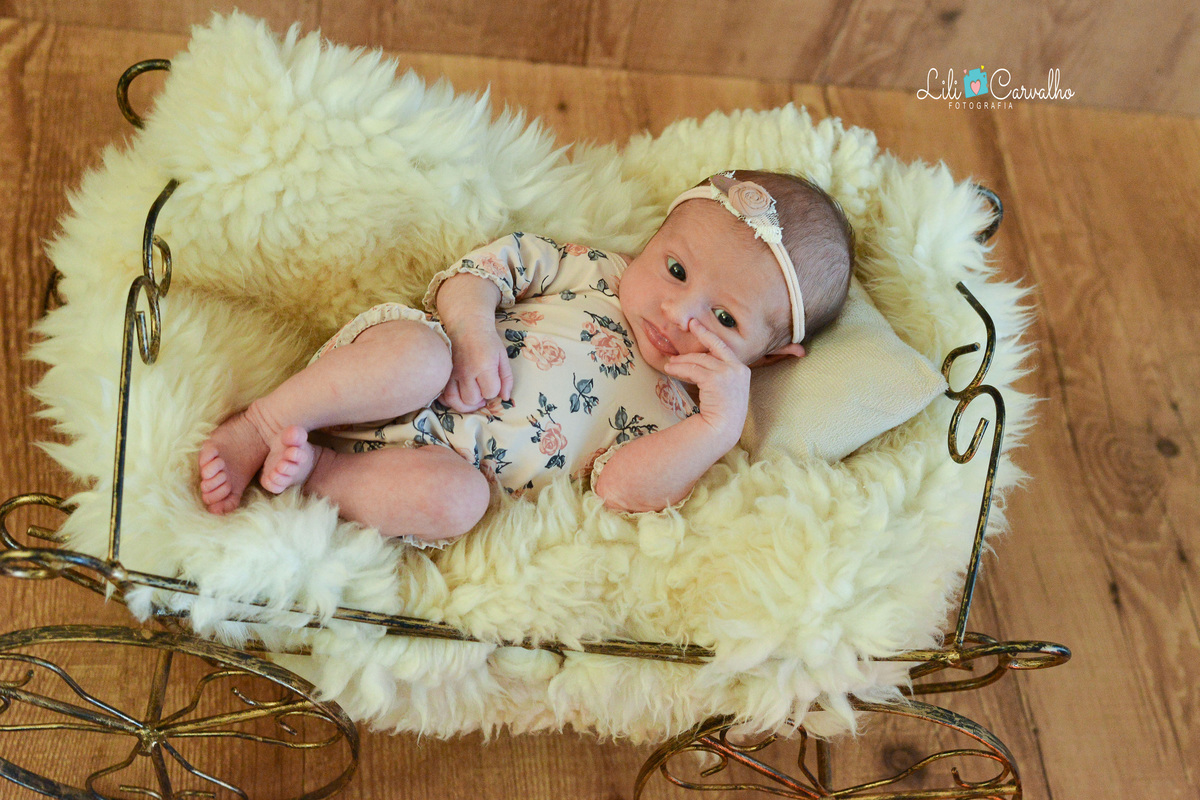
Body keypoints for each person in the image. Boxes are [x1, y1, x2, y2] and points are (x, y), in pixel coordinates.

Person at [197, 170, 854, 544]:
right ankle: (263, 423)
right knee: (419, 358)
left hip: (428, 470)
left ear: (767, 359)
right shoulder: (596, 272)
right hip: (388, 381)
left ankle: (317, 472)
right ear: (654, 238)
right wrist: (471, 329)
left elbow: (619, 491)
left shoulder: (682, 421)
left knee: (458, 503)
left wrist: (716, 427)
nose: (679, 312)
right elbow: (482, 270)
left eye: (725, 319)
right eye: (675, 268)